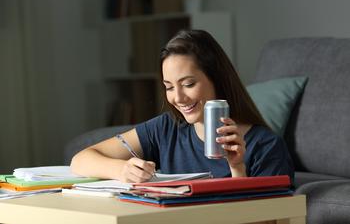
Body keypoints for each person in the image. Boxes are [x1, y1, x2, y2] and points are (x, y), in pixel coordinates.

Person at [71, 29, 294, 184]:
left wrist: (237, 168)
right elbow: (81, 160)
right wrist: (122, 170)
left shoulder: (266, 147)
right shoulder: (165, 129)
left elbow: (267, 220)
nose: (178, 98)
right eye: (169, 87)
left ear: (217, 79)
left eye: (188, 84)